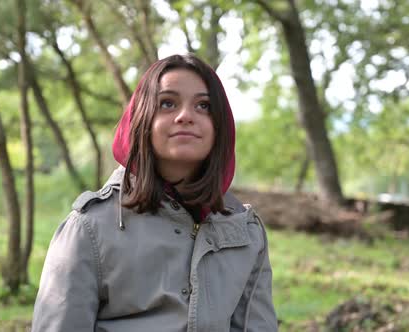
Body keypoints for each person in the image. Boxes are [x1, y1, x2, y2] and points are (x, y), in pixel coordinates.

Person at [31, 54, 278, 332]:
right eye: (168, 103)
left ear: (220, 126)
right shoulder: (90, 228)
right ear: (142, 120)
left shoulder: (245, 231)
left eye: (204, 106)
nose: (185, 116)